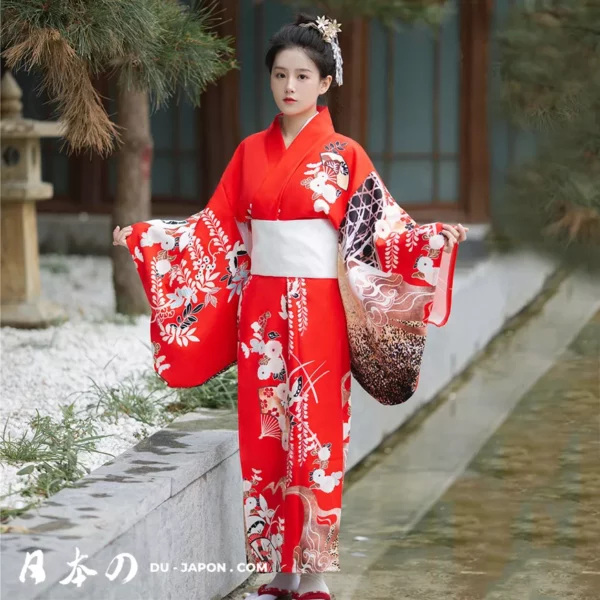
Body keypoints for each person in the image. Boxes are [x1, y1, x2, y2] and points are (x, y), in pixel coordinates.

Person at [113, 13, 468, 600]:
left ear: (325, 83)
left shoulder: (346, 155)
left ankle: (316, 572)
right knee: (264, 435)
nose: (290, 87)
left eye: (303, 76)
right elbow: (213, 230)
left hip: (323, 311)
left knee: (319, 436)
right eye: (280, 74)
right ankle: (276, 571)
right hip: (263, 314)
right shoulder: (250, 152)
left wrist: (430, 239)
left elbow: (382, 232)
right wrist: (151, 238)